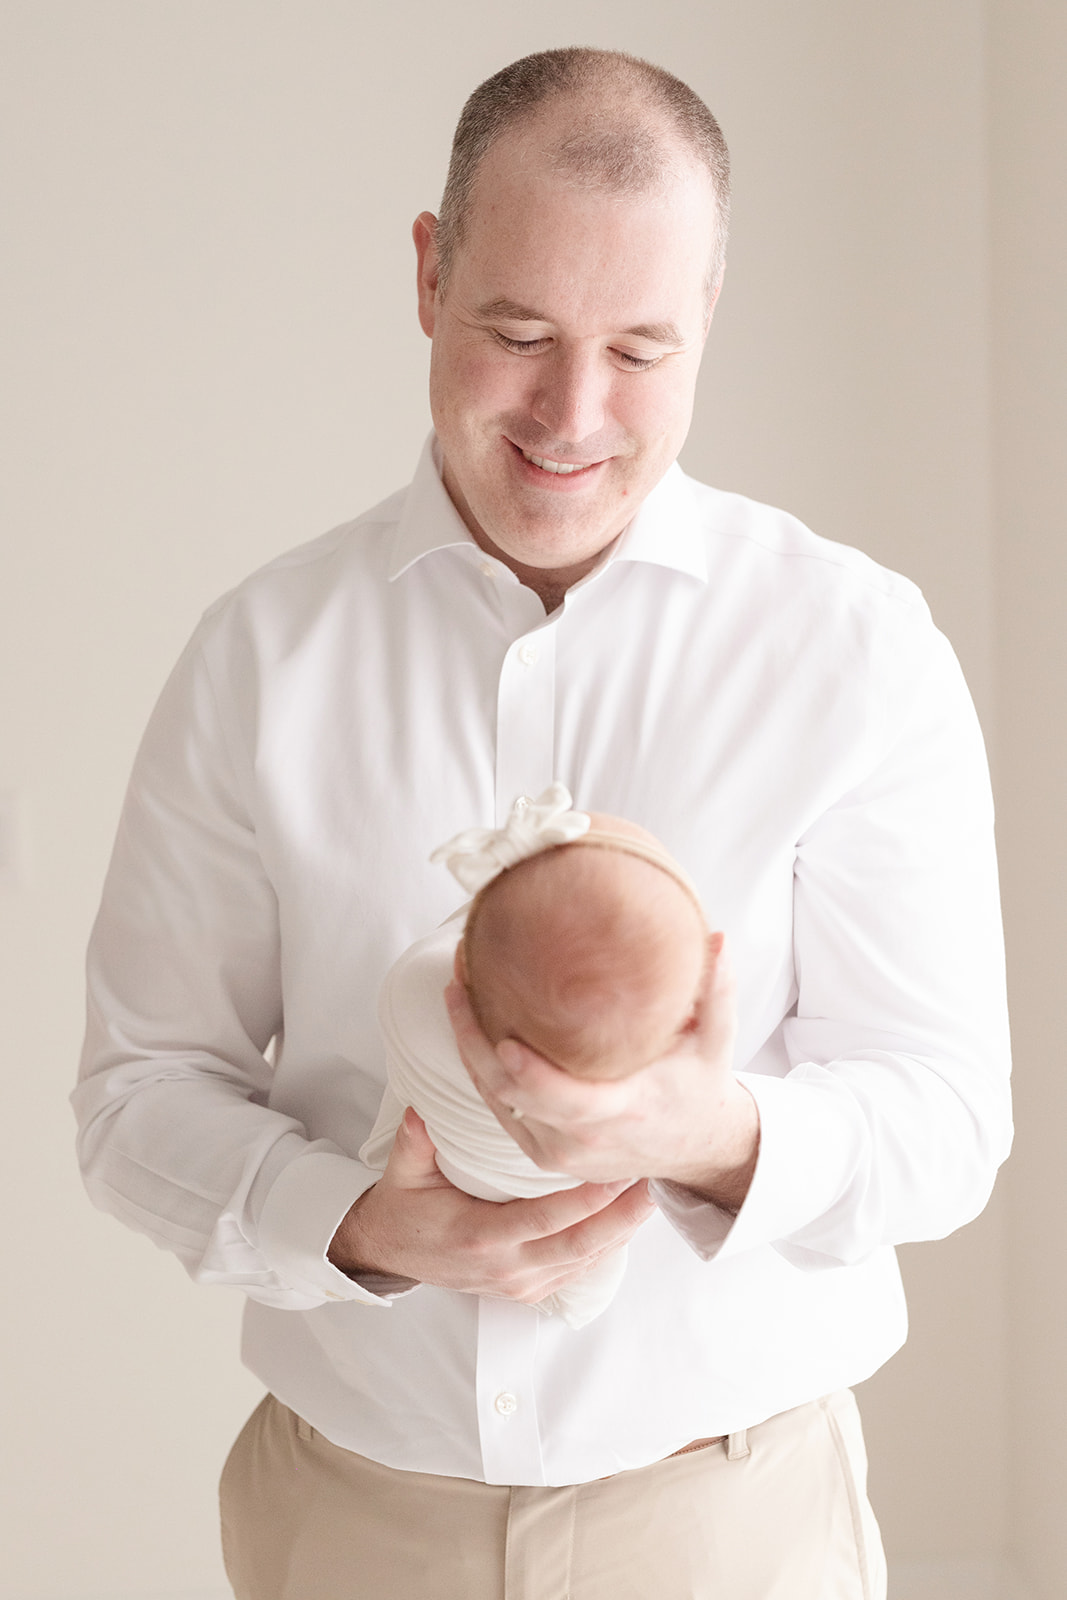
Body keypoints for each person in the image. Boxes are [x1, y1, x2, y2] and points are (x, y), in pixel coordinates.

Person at [72, 44, 1011, 1600]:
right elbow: (135, 1097)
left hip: (728, 1526)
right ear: (429, 274)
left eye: (639, 348)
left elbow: (944, 1121)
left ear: (708, 308)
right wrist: (366, 1228)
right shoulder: (258, 657)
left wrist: (708, 1139)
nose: (572, 413)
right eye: (517, 330)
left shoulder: (854, 650)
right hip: (346, 1522)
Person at [361, 783, 710, 1328]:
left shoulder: (414, 997)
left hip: (448, 1172)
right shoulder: (642, 1094)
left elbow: (471, 941)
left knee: (408, 1115)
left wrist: (509, 899)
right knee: (600, 1257)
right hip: (581, 1218)